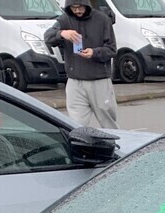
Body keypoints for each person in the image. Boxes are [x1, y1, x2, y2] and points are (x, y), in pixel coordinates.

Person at [44, 0, 118, 128]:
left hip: (99, 80)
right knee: (77, 125)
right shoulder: (64, 20)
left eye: (80, 7)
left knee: (108, 122)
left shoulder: (102, 20)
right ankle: (82, 147)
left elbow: (112, 49)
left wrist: (94, 52)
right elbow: (47, 37)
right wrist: (62, 33)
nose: (77, 11)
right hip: (75, 81)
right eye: (73, 8)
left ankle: (117, 146)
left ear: (86, 5)